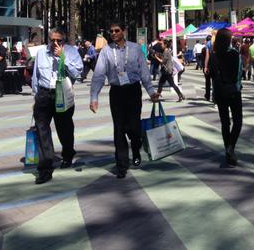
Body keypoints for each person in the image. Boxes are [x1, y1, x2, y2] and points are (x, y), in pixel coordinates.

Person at [90, 21, 159, 179]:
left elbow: (144, 72)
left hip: (133, 91)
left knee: (134, 128)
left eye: (117, 30)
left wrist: (151, 92)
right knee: (119, 129)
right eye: (111, 31)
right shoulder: (106, 51)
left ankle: (136, 149)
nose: (113, 33)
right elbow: (99, 75)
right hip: (116, 93)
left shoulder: (135, 49)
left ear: (124, 31)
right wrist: (94, 97)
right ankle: (121, 165)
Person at [31, 28, 83, 184]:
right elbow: (36, 75)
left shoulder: (72, 52)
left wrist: (63, 57)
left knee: (65, 128)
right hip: (44, 95)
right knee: (42, 131)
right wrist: (35, 96)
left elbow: (77, 73)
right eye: (52, 40)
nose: (55, 43)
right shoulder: (41, 53)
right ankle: (45, 169)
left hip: (62, 94)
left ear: (64, 41)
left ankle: (68, 154)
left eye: (58, 40)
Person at [207, 28, 243, 166]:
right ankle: (231, 147)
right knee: (238, 121)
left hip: (219, 92)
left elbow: (212, 76)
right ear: (228, 39)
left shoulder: (213, 55)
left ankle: (228, 152)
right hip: (233, 91)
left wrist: (213, 92)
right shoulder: (235, 54)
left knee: (225, 123)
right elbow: (239, 74)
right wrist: (237, 87)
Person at [203, 35, 213, 101]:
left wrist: (205, 66)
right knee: (214, 81)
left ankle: (207, 95)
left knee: (207, 81)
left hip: (209, 65)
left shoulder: (207, 45)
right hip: (215, 64)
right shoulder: (215, 43)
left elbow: (206, 56)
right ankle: (214, 97)